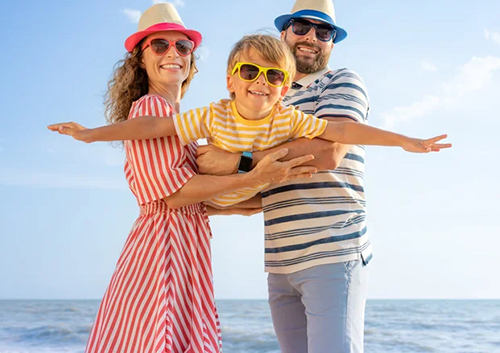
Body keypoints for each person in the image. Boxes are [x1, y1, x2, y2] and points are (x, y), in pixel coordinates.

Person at [54, 4, 319, 353]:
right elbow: (173, 196)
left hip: (182, 243)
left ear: (192, 57)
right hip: (162, 248)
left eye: (182, 46)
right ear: (140, 59)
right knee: (160, 339)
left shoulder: (180, 119)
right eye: (159, 45)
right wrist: (251, 175)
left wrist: (246, 199)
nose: (173, 53)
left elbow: (194, 200)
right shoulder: (151, 109)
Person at [194, 0, 437, 352]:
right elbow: (268, 186)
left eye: (324, 31)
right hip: (280, 260)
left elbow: (328, 151)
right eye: (302, 27)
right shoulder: (268, 99)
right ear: (284, 33)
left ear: (332, 42)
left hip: (333, 251)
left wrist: (236, 161)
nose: (311, 37)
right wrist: (209, 203)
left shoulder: (341, 80)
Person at [49, 35, 449, 209]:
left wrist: (403, 140)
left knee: (280, 180)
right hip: (207, 203)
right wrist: (90, 134)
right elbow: (153, 128)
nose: (261, 82)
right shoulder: (213, 114)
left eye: (274, 76)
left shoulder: (288, 117)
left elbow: (342, 130)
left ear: (285, 87)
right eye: (249, 72)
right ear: (230, 81)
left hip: (241, 202)